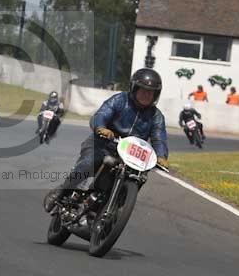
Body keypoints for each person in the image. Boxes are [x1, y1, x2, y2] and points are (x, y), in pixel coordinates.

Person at [43, 68, 169, 213]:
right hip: (104, 144)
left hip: (130, 156)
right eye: (143, 90)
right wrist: (101, 127)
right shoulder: (120, 100)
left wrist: (161, 156)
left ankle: (117, 207)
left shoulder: (156, 116)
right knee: (88, 163)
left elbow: (159, 137)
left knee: (139, 177)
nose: (147, 95)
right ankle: (61, 191)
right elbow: (102, 114)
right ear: (134, 88)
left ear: (156, 95)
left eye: (151, 92)